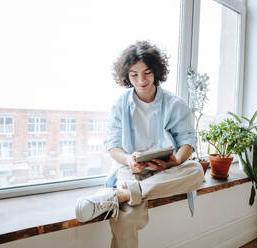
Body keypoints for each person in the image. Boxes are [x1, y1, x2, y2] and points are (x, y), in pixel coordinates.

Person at [75, 41, 204, 248]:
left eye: (147, 72)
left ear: (156, 71)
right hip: (131, 171)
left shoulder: (175, 104)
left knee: (196, 171)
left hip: (165, 172)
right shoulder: (120, 105)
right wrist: (128, 159)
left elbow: (188, 140)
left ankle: (122, 195)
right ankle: (129, 192)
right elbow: (113, 146)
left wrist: (175, 161)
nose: (141, 80)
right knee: (126, 217)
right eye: (134, 74)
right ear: (126, 75)